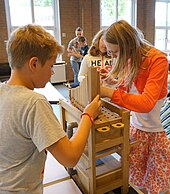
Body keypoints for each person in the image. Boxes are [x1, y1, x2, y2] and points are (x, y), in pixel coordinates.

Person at [0, 24, 101, 194]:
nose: (52, 73)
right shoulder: (34, 103)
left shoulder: (2, 91)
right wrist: (88, 116)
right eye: (51, 66)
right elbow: (70, 158)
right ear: (34, 64)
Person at [100, 20, 170, 194]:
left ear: (128, 45)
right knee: (137, 181)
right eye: (111, 52)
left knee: (157, 184)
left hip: (157, 132)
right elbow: (134, 90)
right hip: (137, 129)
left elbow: (145, 103)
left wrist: (109, 93)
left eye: (116, 52)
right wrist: (116, 84)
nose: (114, 57)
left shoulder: (157, 60)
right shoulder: (131, 58)